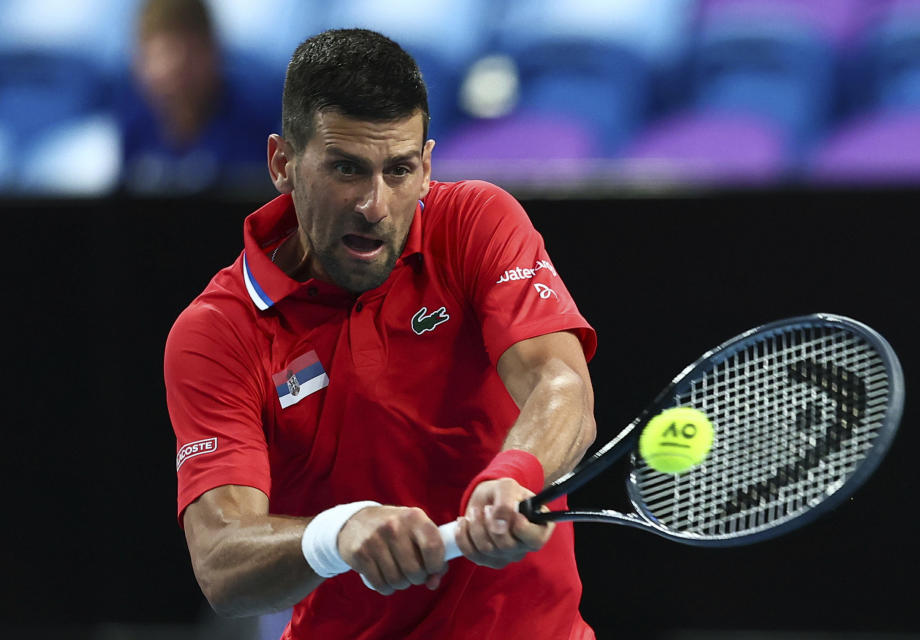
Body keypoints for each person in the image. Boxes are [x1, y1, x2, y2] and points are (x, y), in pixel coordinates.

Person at [164, 28, 598, 639]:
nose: (375, 204)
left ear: (426, 168)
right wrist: (336, 533)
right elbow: (219, 558)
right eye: (346, 168)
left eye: (398, 171)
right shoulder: (218, 332)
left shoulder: (476, 223)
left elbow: (561, 384)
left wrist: (514, 474)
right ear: (282, 163)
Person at [117, 0, 279, 195]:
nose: (175, 73)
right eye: (162, 55)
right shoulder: (132, 124)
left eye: (190, 58)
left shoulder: (256, 121)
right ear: (139, 63)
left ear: (215, 54)